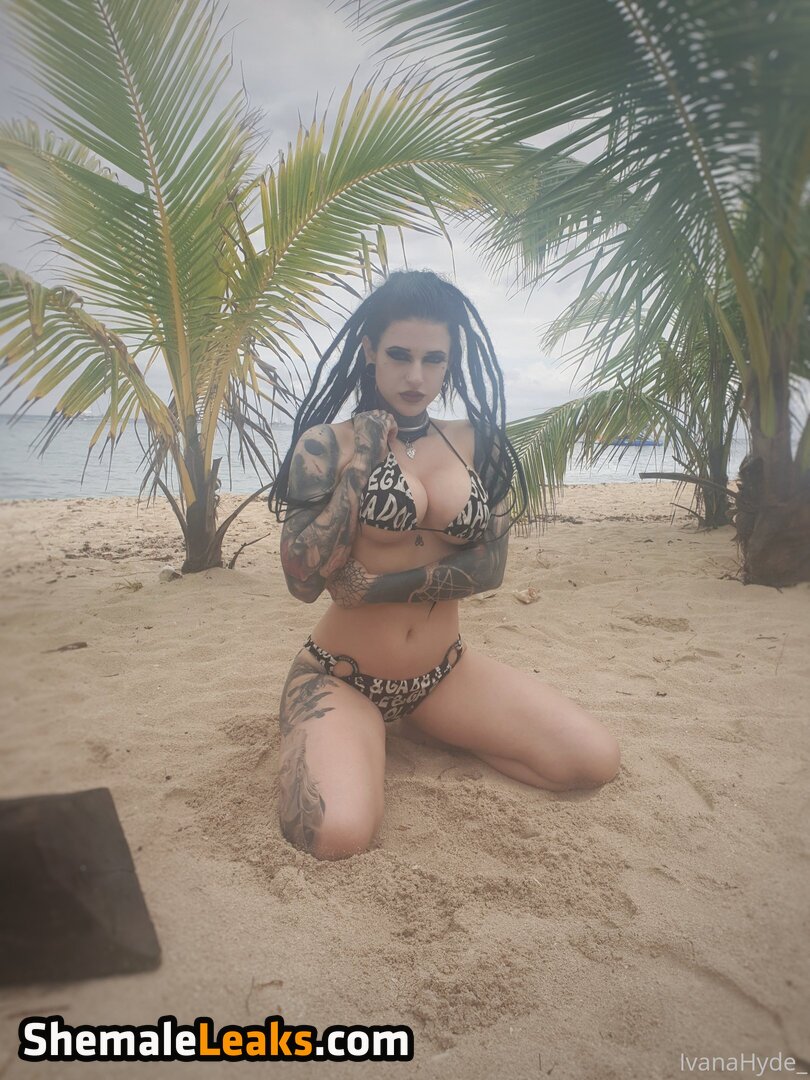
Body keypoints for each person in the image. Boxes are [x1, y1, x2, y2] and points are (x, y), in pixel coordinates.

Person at [268, 271, 619, 860]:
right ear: (369, 351)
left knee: (593, 761)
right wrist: (363, 463)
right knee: (335, 835)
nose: (416, 376)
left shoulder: (477, 442)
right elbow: (301, 580)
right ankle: (346, 733)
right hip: (341, 676)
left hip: (443, 675)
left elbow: (491, 567)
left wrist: (376, 588)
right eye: (399, 355)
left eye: (434, 359)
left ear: (451, 362)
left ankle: (420, 727)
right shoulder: (327, 445)